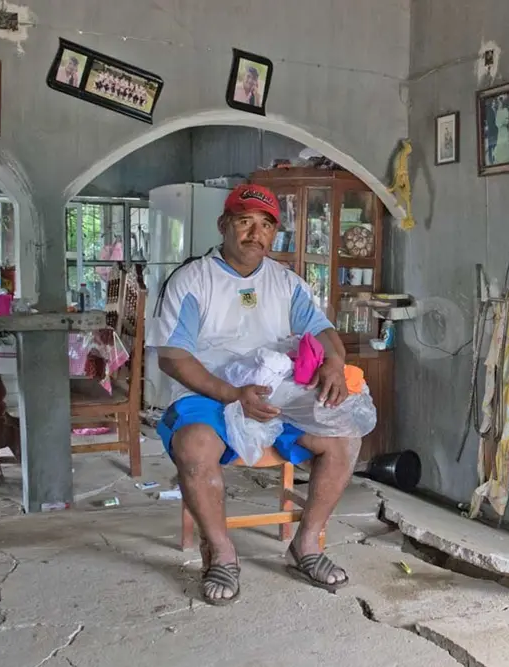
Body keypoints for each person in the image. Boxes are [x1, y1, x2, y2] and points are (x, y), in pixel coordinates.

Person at [148, 184, 357, 605]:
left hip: (273, 391)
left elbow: (323, 332)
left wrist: (334, 362)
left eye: (265, 226)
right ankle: (221, 552)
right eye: (245, 222)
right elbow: (173, 357)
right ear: (224, 225)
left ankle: (307, 545)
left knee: (343, 436)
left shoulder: (286, 282)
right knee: (194, 446)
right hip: (207, 390)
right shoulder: (193, 279)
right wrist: (231, 394)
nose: (254, 234)